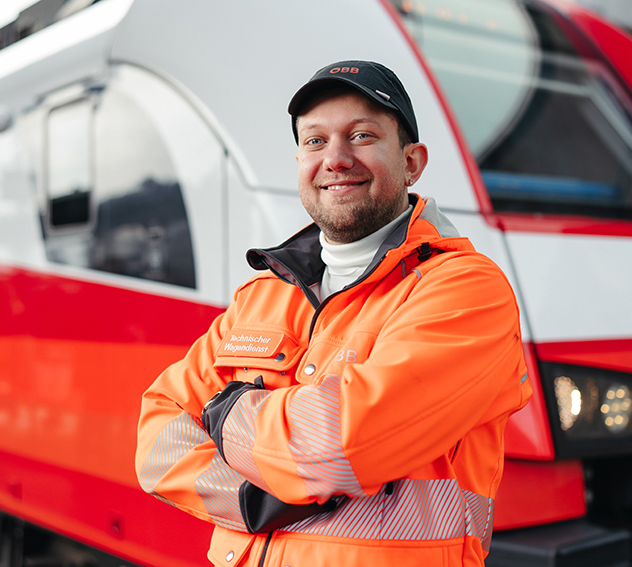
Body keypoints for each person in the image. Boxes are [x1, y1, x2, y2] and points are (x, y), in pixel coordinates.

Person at [136, 60, 532, 567]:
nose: (336, 159)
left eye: (362, 136)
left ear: (412, 162)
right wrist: (254, 500)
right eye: (315, 141)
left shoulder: (466, 290)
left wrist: (224, 411)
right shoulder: (261, 295)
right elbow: (157, 439)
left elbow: (338, 447)